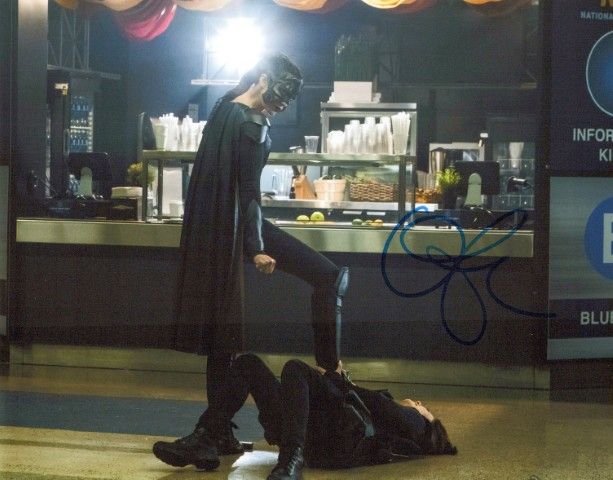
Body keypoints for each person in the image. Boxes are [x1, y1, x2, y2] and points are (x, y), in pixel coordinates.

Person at [172, 52, 349, 454]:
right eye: (284, 94)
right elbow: (250, 192)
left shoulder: (223, 109)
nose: (285, 104)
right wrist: (255, 248)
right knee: (330, 276)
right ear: (265, 79)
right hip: (239, 229)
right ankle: (332, 370)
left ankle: (218, 433)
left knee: (221, 337)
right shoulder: (254, 124)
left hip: (212, 230)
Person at [152, 354, 457, 479]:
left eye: (424, 406)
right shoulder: (401, 421)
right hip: (314, 427)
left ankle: (291, 460)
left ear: (429, 421)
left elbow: (377, 405)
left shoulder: (417, 423)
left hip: (334, 436)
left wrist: (335, 378)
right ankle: (207, 436)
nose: (419, 403)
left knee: (296, 369)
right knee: (247, 364)